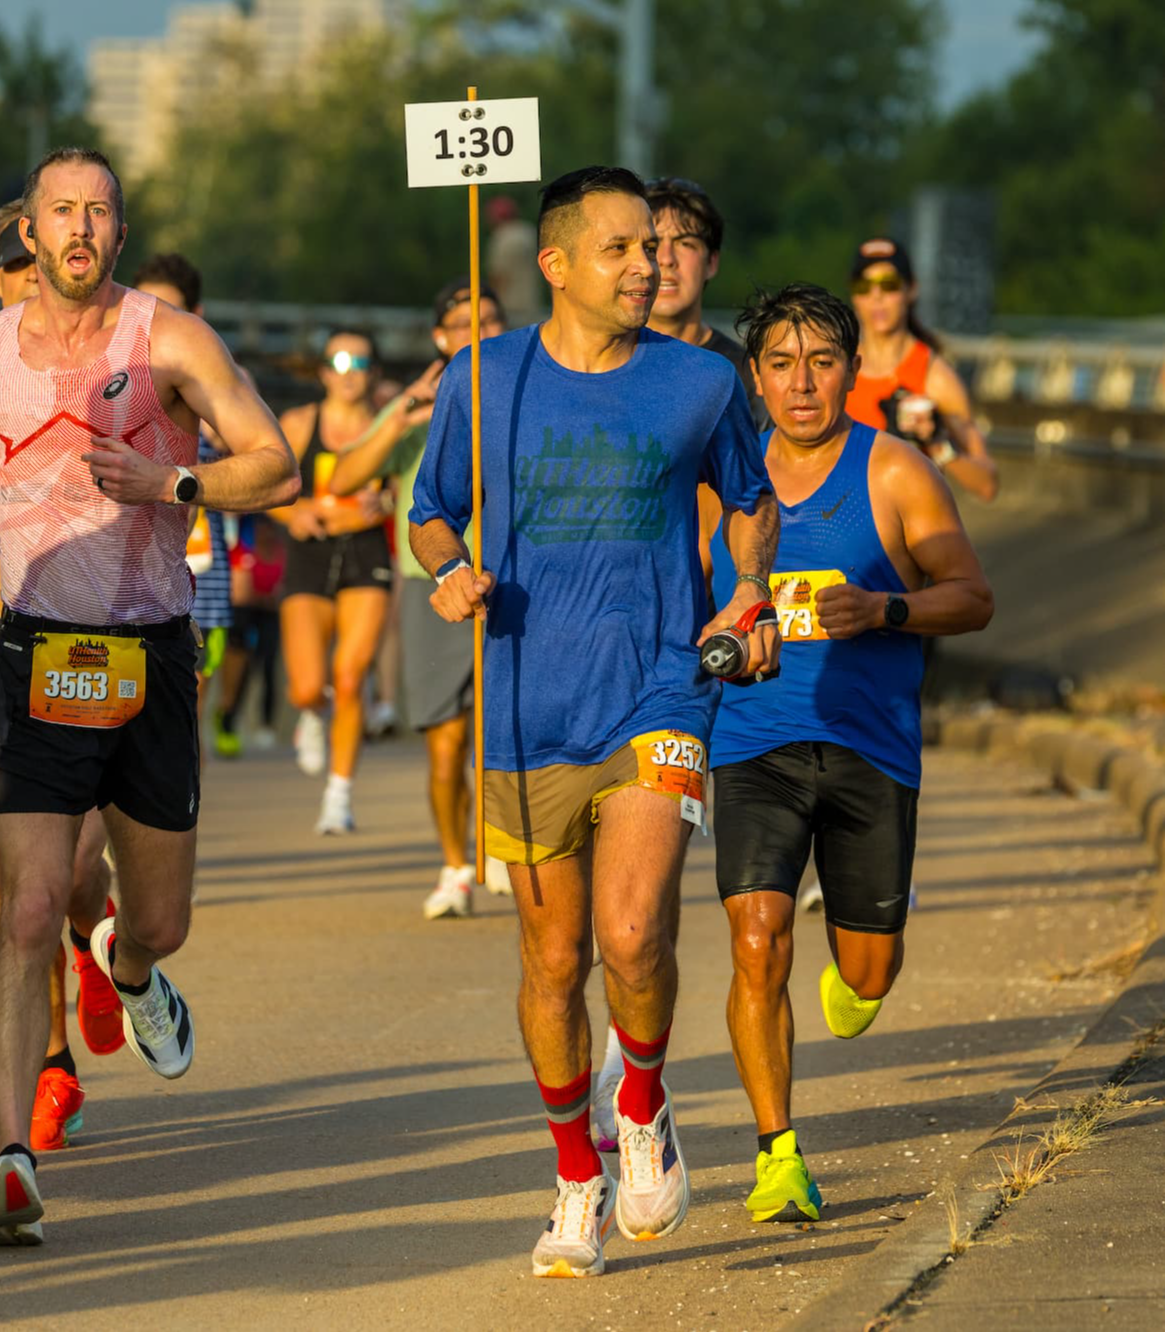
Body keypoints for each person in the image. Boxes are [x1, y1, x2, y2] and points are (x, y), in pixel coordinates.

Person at [0, 146, 298, 1246]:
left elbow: (271, 460)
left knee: (157, 919)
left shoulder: (167, 339)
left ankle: (127, 969)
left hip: (149, 653)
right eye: (59, 212)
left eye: (99, 213)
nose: (78, 229)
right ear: (26, 233)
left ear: (118, 235)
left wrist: (176, 481)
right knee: (27, 905)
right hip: (33, 654)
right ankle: (10, 1155)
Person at [410, 166, 779, 1278]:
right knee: (552, 956)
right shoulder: (484, 378)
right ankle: (575, 1175)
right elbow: (430, 513)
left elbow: (752, 500)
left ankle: (645, 1100)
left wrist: (745, 586)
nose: (646, 267)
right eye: (619, 248)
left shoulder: (698, 383)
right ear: (555, 262)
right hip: (525, 700)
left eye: (655, 248)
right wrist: (451, 573)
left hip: (657, 685)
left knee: (631, 933)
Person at [704, 282, 993, 1224]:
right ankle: (775, 1153)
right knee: (756, 941)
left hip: (870, 750)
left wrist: (883, 609)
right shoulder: (719, 480)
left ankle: (857, 975)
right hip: (752, 742)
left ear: (850, 371)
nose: (801, 384)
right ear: (754, 376)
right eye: (781, 365)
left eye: (821, 362)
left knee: (868, 970)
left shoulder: (895, 470)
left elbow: (970, 594)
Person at [0, 197, 124, 1155]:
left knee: (74, 865)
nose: (38, 277)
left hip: (85, 641)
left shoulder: (113, 363)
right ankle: (53, 1063)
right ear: (3, 272)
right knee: (13, 881)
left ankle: (103, 947)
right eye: (20, 264)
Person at [328, 276, 513, 917]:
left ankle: (503, 847)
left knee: (508, 734)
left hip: (513, 581)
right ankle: (454, 865)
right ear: (440, 337)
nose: (477, 335)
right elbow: (345, 475)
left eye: (488, 322)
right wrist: (406, 414)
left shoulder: (524, 384)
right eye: (463, 326)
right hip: (431, 581)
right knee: (445, 740)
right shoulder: (419, 402)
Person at [273, 328, 394, 833]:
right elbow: (267, 487)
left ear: (374, 374)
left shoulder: (389, 425)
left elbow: (409, 487)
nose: (351, 372)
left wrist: (386, 502)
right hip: (309, 553)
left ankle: (338, 796)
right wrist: (293, 513)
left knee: (350, 676)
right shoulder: (301, 423)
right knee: (307, 687)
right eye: (341, 361)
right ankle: (309, 717)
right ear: (324, 371)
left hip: (366, 553)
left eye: (362, 363)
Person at [131, 252, 233, 752]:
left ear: (198, 313)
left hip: (201, 578)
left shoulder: (217, 381)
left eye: (170, 311)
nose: (158, 326)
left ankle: (177, 820)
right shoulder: (114, 382)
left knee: (184, 712)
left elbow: (264, 466)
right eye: (147, 310)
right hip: (125, 576)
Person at [846, 237, 998, 502]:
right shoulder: (836, 367)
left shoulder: (935, 376)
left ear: (911, 289)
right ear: (854, 296)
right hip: (840, 530)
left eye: (889, 285)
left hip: (907, 533)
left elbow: (987, 484)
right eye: (864, 286)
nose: (876, 296)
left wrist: (938, 442)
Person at [643, 177, 769, 429]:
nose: (667, 259)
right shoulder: (602, 363)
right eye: (653, 245)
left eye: (685, 243)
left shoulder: (746, 373)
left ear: (711, 262)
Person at [213, 512, 284, 756]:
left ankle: (231, 719)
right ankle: (225, 718)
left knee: (263, 665)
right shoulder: (235, 539)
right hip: (235, 607)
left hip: (261, 613)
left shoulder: (270, 542)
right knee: (224, 665)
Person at [485, 195, 543, 328]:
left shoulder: (501, 237)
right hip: (532, 303)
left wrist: (492, 302)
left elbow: (498, 275)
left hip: (509, 306)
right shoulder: (529, 232)